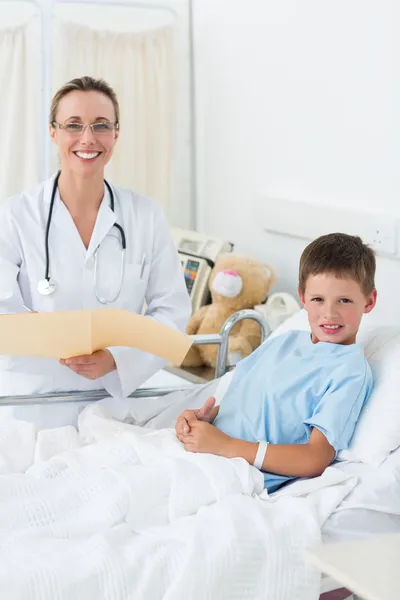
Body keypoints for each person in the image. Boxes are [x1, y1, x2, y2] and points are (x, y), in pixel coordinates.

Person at [0, 76, 191, 427]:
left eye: (101, 125)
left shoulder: (144, 216)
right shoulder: (15, 216)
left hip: (113, 406)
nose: (88, 139)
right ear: (53, 132)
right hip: (30, 405)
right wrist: (53, 339)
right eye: (74, 125)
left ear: (116, 134)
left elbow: (173, 313)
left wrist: (118, 359)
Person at [175, 233, 377, 492]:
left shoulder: (349, 371)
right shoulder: (283, 342)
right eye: (318, 299)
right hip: (203, 453)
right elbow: (251, 404)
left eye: (344, 300)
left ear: (369, 301)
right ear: (303, 298)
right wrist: (202, 422)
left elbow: (315, 457)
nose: (329, 313)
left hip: (235, 474)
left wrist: (224, 445)